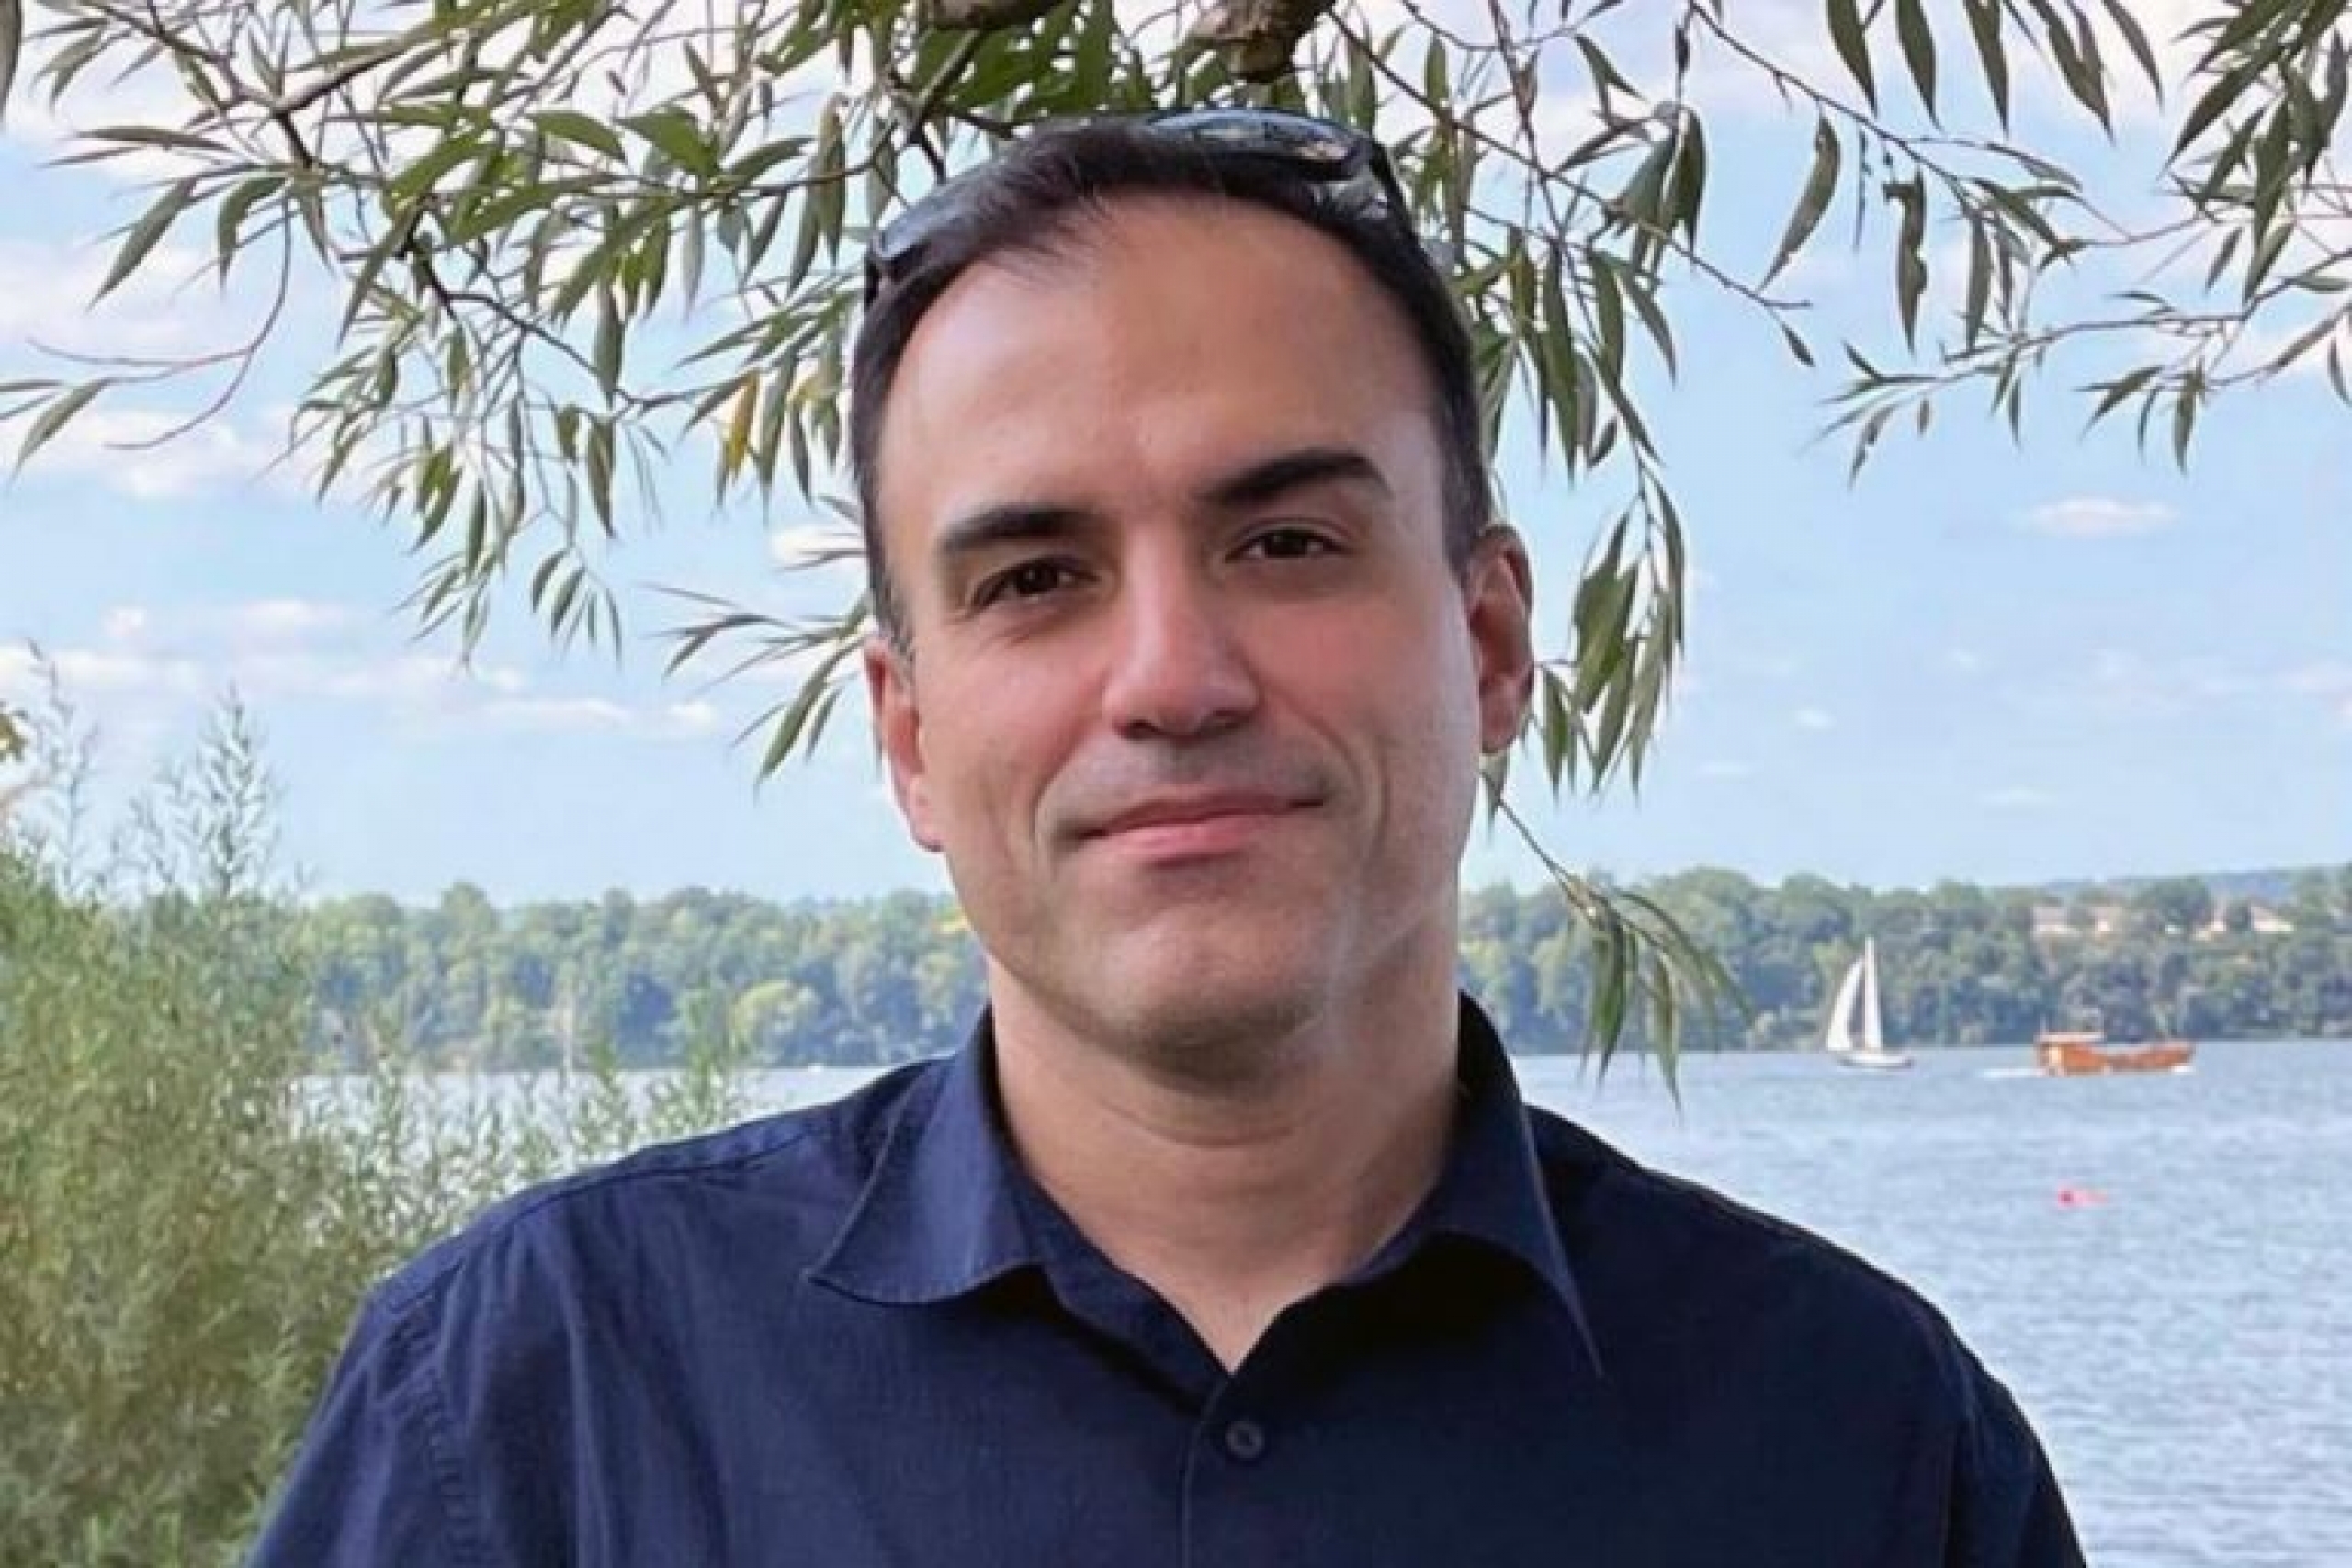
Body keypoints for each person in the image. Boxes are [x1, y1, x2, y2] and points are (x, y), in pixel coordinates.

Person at [251, 110, 2085, 1565]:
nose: (1170, 676)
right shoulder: (537, 1399)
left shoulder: (1862, 1447)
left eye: (1282, 541)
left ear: (1491, 643)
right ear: (906, 735)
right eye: (1034, 577)